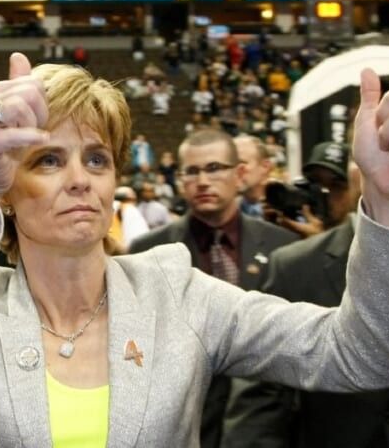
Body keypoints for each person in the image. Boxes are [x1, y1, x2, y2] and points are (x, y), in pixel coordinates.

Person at [0, 58, 389, 447]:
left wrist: (387, 197)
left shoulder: (177, 293)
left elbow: (364, 355)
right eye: (49, 160)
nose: (80, 179)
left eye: (96, 159)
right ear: (9, 195)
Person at [223, 173, 389, 448]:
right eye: (376, 143)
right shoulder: (294, 266)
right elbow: (261, 404)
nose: (388, 159)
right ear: (351, 164)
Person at [128, 128, 299, 448]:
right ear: (180, 180)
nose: (203, 181)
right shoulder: (147, 253)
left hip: (267, 433)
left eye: (214, 168)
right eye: (191, 171)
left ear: (240, 174)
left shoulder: (284, 248)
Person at [234, 134, 272, 218]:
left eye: (240, 163)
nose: (234, 170)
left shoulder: (287, 211)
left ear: (265, 167)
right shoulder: (225, 213)